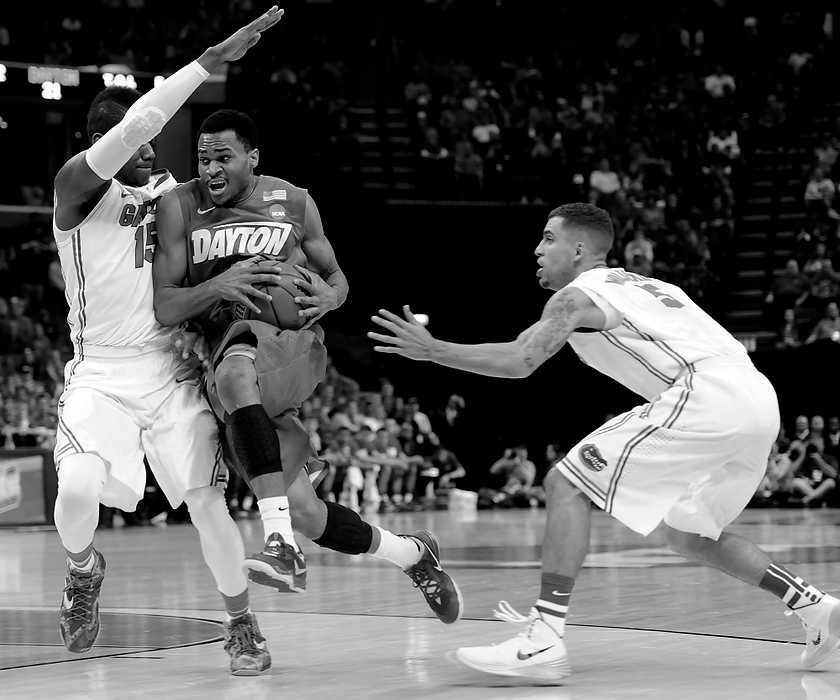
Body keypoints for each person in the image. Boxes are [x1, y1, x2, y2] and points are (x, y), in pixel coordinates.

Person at [369, 202, 840, 682]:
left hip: (706, 393)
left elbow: (521, 359)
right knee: (689, 535)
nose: (537, 248)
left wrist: (434, 351)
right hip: (759, 398)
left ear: (578, 250)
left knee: (566, 483)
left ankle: (544, 638)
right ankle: (818, 608)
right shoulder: (648, 285)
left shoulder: (576, 295)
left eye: (548, 238)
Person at [152, 109, 461, 623]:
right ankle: (413, 554)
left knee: (235, 372)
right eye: (202, 158)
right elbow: (165, 305)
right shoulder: (179, 205)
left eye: (223, 157)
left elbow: (337, 279)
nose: (210, 169)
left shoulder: (293, 201)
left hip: (289, 342)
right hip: (226, 347)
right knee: (307, 511)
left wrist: (333, 296)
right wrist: (217, 287)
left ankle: (280, 548)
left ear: (252, 158)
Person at [50, 7, 284, 674]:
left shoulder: (175, 200)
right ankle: (83, 570)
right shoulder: (73, 193)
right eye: (116, 140)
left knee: (207, 501)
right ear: (93, 142)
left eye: (144, 147)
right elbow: (140, 123)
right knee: (77, 489)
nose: (137, 150)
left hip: (169, 369)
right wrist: (208, 59)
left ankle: (242, 624)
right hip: (99, 371)